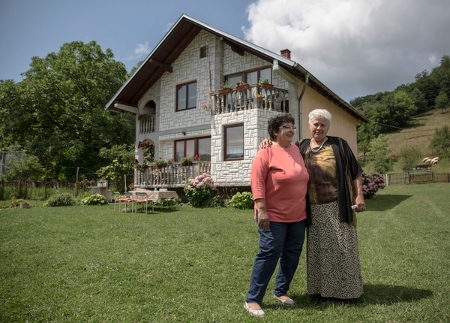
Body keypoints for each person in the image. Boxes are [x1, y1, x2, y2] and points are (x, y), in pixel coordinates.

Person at [260, 108, 366, 303]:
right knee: (319, 252)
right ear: (309, 126)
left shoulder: (339, 145)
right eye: (315, 124)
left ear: (328, 127)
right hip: (312, 209)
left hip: (337, 205)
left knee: (343, 248)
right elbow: (281, 149)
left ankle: (346, 292)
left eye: (323, 124)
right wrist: (267, 142)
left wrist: (359, 196)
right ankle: (321, 292)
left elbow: (356, 171)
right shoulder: (301, 146)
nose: (319, 128)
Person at [245, 114, 309, 317]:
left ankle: (281, 291)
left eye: (292, 127)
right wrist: (261, 209)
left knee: (292, 254)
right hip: (272, 215)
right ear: (275, 131)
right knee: (269, 254)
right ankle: (253, 299)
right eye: (285, 127)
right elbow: (257, 181)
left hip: (298, 215)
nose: (290, 130)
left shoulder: (297, 149)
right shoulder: (266, 151)